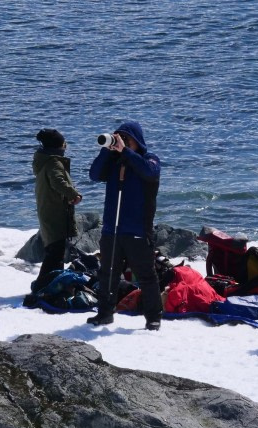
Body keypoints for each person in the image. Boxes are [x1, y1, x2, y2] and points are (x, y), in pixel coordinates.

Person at [86, 121, 163, 331]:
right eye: (120, 138)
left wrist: (127, 152)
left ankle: (153, 317)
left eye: (126, 139)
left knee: (146, 276)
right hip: (112, 230)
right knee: (107, 274)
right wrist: (107, 151)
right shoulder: (113, 161)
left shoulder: (149, 159)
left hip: (137, 230)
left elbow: (150, 173)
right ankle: (104, 314)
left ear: (137, 141)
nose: (122, 143)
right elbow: (94, 175)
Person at [29, 128, 83, 294]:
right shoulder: (53, 162)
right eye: (63, 142)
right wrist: (74, 194)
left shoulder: (45, 160)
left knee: (55, 251)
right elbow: (58, 181)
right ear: (59, 145)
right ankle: (44, 286)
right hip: (55, 213)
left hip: (49, 210)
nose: (65, 145)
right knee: (55, 253)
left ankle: (50, 284)